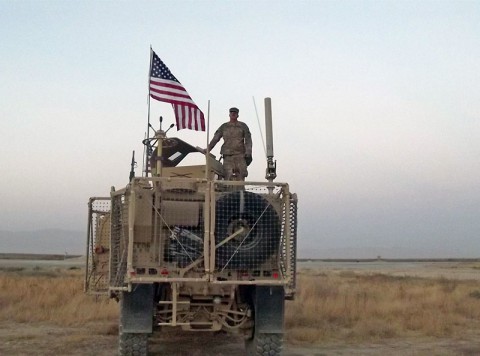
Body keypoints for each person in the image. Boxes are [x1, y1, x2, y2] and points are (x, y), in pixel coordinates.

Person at [208, 107, 252, 180]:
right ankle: (228, 190)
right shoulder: (224, 126)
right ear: (229, 114)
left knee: (242, 173)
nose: (233, 114)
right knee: (227, 174)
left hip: (240, 155)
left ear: (238, 115)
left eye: (235, 113)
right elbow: (216, 138)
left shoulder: (243, 126)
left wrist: (248, 151)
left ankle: (240, 190)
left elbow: (248, 140)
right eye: (232, 112)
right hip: (228, 156)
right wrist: (208, 149)